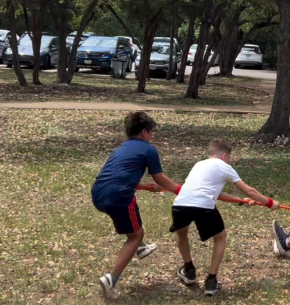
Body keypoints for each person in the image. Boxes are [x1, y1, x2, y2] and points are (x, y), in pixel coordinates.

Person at [171, 139, 279, 296]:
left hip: (180, 204)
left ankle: (189, 270)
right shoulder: (225, 166)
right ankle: (211, 280)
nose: (229, 161)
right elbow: (249, 191)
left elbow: (216, 193)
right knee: (220, 237)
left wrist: (240, 201)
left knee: (182, 233)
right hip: (203, 206)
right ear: (224, 156)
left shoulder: (198, 165)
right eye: (228, 158)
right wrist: (269, 203)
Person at [91, 112, 182, 299]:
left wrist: (145, 187)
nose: (152, 136)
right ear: (144, 132)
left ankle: (141, 248)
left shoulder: (120, 149)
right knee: (136, 234)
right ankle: (111, 279)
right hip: (119, 196)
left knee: (129, 224)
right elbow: (159, 177)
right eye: (151, 132)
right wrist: (180, 190)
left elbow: (116, 176)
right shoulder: (149, 149)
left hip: (98, 193)